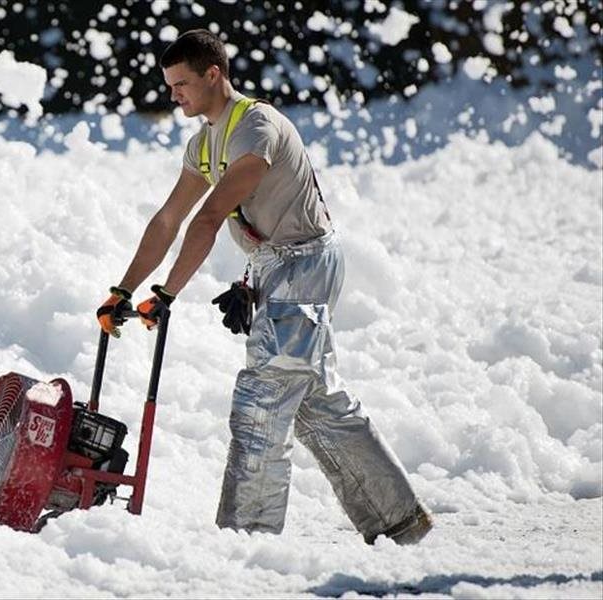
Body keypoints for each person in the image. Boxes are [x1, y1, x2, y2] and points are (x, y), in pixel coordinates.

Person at [96, 29, 432, 544]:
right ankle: (399, 519)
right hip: (276, 266)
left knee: (263, 399)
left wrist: (165, 295)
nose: (174, 95)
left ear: (214, 75)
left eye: (182, 83)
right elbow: (168, 219)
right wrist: (122, 291)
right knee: (315, 400)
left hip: (305, 263)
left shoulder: (256, 127)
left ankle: (244, 539)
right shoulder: (204, 143)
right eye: (169, 86)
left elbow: (207, 218)